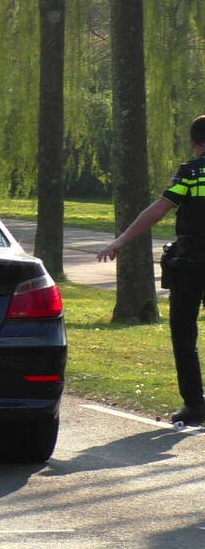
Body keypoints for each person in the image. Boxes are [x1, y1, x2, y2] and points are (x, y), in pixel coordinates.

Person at [97, 114, 205, 425]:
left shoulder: (190, 172)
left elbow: (158, 210)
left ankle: (195, 405)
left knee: (184, 333)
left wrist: (120, 240)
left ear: (194, 143)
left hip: (192, 262)